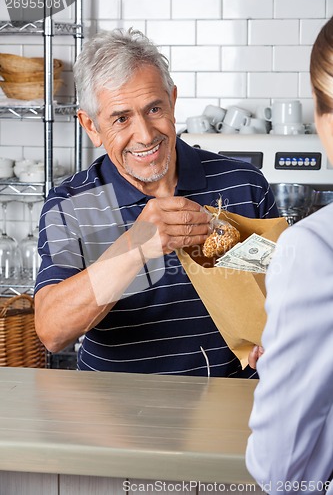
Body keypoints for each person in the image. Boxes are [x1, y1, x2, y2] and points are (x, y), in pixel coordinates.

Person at [34, 28, 278, 376]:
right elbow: (52, 332)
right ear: (91, 126)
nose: (146, 135)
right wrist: (135, 246)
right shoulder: (72, 204)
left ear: (173, 101)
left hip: (234, 403)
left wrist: (278, 337)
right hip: (116, 412)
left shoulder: (243, 184)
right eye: (121, 118)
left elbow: (284, 297)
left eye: (154, 108)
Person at [246, 17, 333, 493]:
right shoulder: (72, 202)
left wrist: (285, 359)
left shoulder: (313, 247)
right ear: (90, 126)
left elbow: (279, 470)